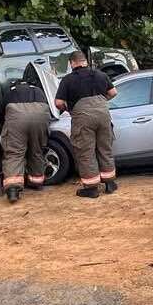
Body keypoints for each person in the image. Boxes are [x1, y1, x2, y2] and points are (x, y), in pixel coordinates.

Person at [54, 51, 118, 198]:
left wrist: (68, 108)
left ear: (72, 63)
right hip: (103, 115)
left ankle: (91, 188)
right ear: (85, 61)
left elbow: (58, 103)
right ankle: (110, 183)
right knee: (105, 148)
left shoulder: (68, 80)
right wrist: (101, 102)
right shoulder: (101, 75)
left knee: (86, 152)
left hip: (83, 118)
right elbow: (113, 92)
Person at [1, 77, 51, 202]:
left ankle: (13, 190)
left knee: (14, 152)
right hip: (40, 115)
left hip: (17, 116)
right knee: (36, 149)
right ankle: (36, 182)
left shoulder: (10, 92)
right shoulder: (38, 90)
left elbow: (2, 112)